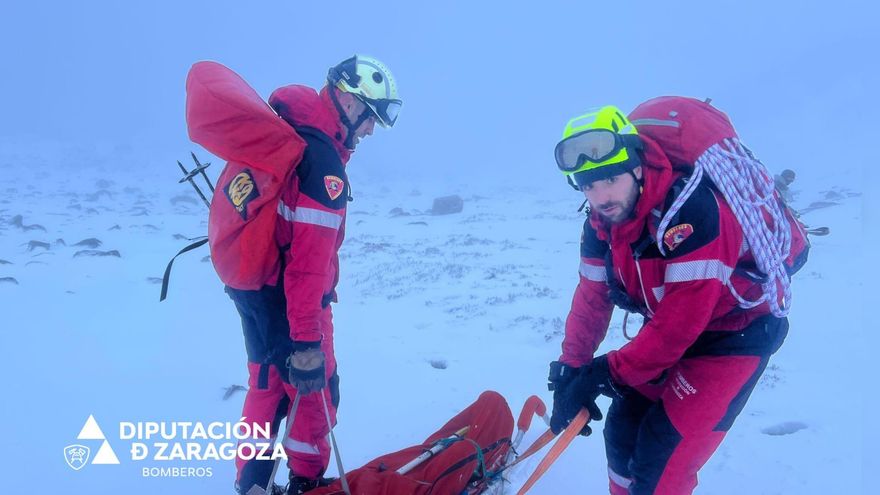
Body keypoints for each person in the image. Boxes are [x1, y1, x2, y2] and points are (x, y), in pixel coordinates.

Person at [547, 106, 789, 494]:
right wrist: (572, 369)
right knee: (623, 431)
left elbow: (679, 328)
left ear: (637, 167)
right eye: (589, 185)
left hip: (733, 335)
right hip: (670, 330)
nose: (601, 196)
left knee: (662, 458)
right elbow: (592, 298)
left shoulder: (692, 213)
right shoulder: (602, 223)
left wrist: (602, 374)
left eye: (610, 178)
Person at [225, 55, 401, 495]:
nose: (369, 131)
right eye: (369, 117)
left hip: (254, 291)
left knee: (266, 386)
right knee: (316, 395)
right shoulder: (322, 164)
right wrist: (306, 343)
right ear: (345, 99)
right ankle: (306, 484)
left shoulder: (289, 129)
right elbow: (308, 267)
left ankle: (251, 483)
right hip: (293, 301)